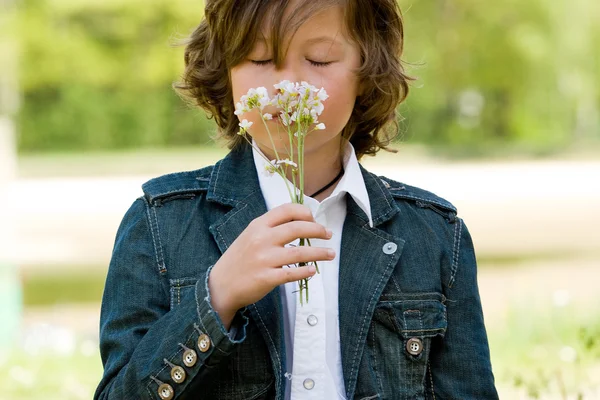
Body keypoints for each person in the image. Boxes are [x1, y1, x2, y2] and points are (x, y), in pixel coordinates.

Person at [94, 0, 499, 399]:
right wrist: (216, 296)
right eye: (260, 57)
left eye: (319, 60)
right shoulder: (159, 222)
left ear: (367, 71)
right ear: (226, 68)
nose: (287, 87)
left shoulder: (436, 234)